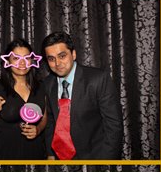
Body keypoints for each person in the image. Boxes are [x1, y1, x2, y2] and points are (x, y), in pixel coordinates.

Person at [41, 31, 123, 160]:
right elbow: (50, 121)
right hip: (60, 160)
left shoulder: (98, 79)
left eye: (62, 56)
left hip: (95, 158)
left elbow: (113, 125)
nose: (57, 63)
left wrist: (106, 163)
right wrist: (50, 153)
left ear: (73, 54)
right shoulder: (47, 84)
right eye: (51, 59)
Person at [0, 38, 49, 160]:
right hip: (4, 153)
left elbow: (44, 118)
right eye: (16, 58)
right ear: (8, 61)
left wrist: (38, 129)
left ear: (32, 60)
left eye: (27, 58)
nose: (22, 63)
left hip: (35, 151)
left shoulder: (41, 87)